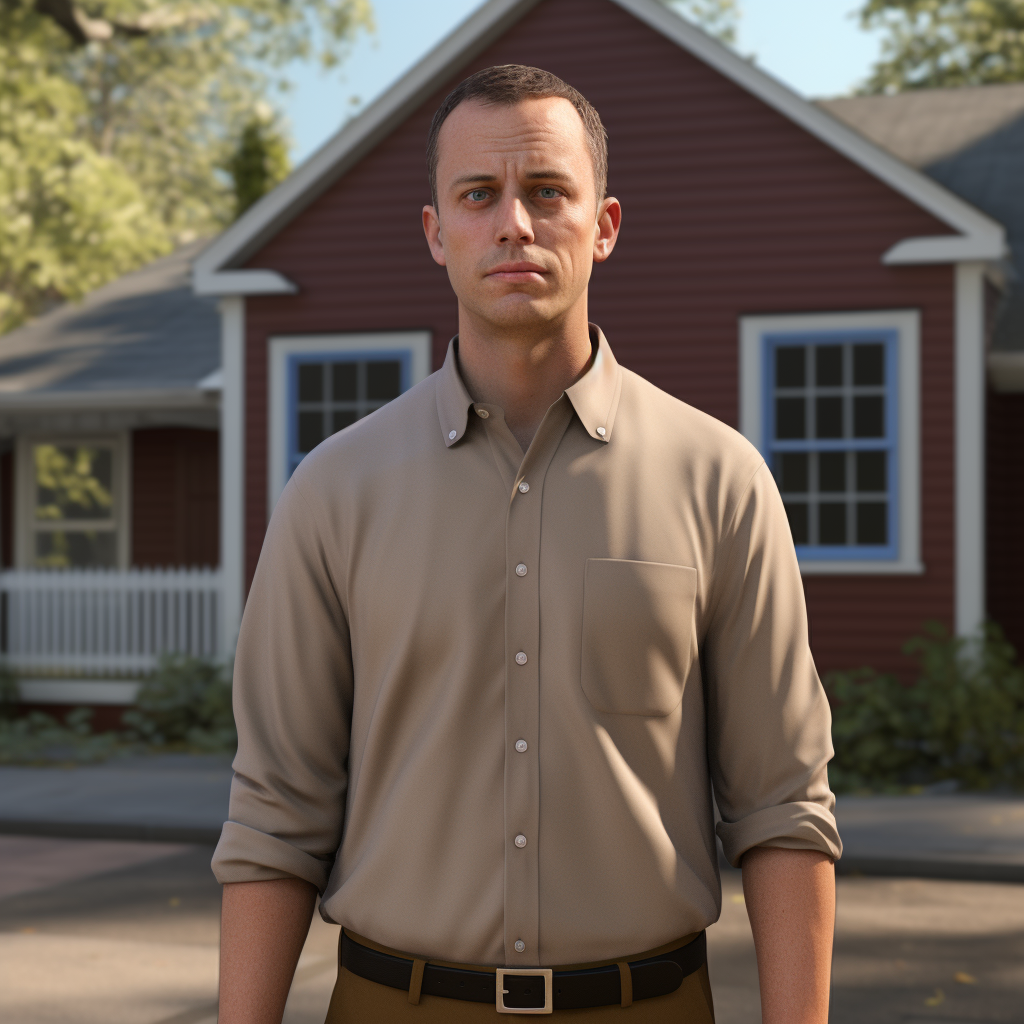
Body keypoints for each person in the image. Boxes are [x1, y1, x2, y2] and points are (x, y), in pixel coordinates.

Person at [213, 64, 841, 1023]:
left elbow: (785, 804)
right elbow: (274, 813)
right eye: (478, 195)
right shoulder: (332, 492)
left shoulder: (722, 480)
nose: (514, 222)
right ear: (436, 232)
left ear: (605, 226)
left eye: (548, 191)